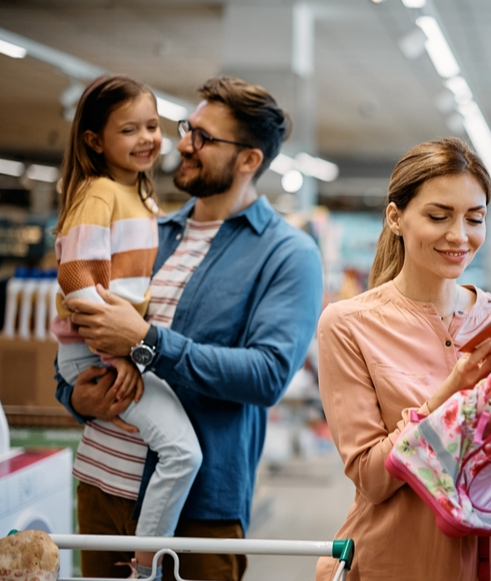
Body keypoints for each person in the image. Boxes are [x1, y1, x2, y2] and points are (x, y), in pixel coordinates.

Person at [55, 76, 323, 581]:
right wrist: (75, 399)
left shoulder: (288, 254)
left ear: (249, 160)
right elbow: (81, 335)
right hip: (101, 489)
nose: (181, 145)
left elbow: (266, 375)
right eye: (187, 128)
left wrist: (146, 342)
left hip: (198, 512)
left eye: (203, 137)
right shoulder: (150, 232)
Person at [314, 138, 491, 581]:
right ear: (396, 217)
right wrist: (449, 392)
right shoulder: (347, 324)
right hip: (393, 563)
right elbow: (372, 478)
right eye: (439, 216)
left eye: (475, 219)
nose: (459, 236)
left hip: (487, 565)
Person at [52, 74, 202, 580]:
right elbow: (77, 280)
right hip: (93, 352)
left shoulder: (137, 195)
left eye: (152, 126)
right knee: (182, 452)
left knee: (180, 451)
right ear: (95, 141)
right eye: (128, 130)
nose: (146, 138)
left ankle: (142, 562)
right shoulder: (98, 192)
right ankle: (143, 570)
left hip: (107, 348)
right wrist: (120, 356)